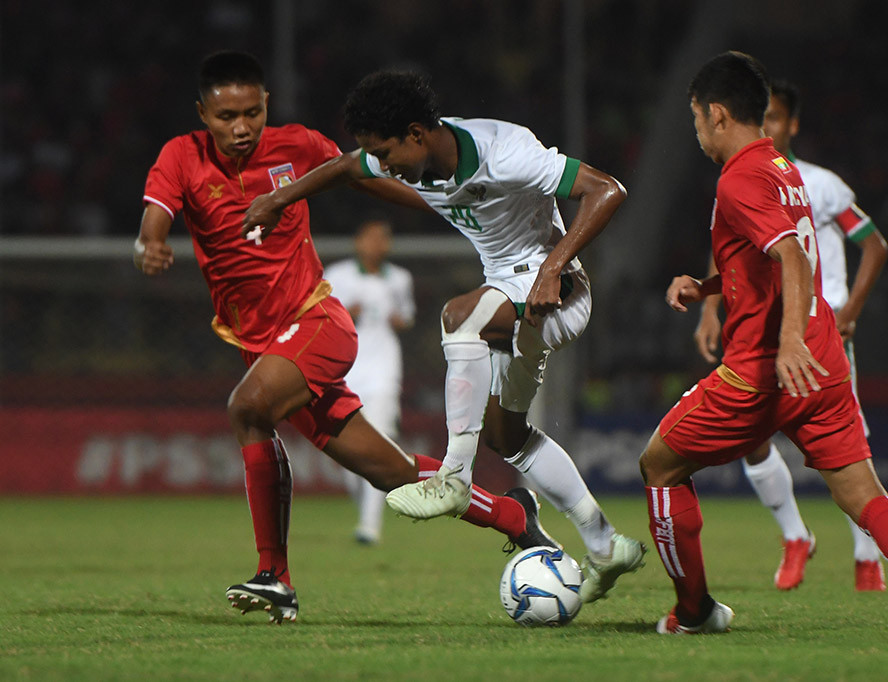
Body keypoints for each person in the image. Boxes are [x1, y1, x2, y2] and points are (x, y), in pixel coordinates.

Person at [134, 51, 559, 624]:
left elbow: (379, 177)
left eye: (251, 113)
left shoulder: (300, 146)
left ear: (266, 105)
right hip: (262, 343)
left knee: (248, 408)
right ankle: (514, 516)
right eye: (225, 115)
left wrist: (456, 207)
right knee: (389, 472)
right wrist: (149, 245)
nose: (240, 127)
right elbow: (154, 221)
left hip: (317, 324)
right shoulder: (180, 158)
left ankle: (274, 576)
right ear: (202, 114)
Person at [243, 70, 646, 603]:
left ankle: (454, 475)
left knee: (459, 316)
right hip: (510, 295)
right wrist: (281, 199)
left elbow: (607, 190)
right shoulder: (411, 158)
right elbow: (345, 166)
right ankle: (604, 543)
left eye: (387, 154)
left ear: (417, 133)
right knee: (509, 437)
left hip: (558, 290)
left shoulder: (505, 151)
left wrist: (554, 266)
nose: (384, 168)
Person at [639, 51, 888, 635]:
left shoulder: (739, 177)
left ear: (717, 114)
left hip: (764, 368)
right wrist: (709, 287)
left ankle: (694, 610)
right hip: (823, 364)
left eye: (696, 118)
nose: (696, 130)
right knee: (864, 497)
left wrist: (787, 339)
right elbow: (769, 259)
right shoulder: (783, 167)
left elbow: (792, 256)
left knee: (659, 466)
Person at [693, 79, 888, 592]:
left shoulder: (819, 184)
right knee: (751, 442)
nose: (772, 127)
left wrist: (850, 309)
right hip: (760, 331)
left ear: (792, 124)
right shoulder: (739, 177)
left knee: (849, 450)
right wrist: (710, 307)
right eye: (767, 118)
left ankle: (867, 557)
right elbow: (730, 251)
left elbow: (873, 245)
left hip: (813, 332)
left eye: (780, 118)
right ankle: (795, 536)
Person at [323, 218, 415, 545]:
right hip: (345, 366)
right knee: (345, 444)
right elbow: (320, 315)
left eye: (383, 239)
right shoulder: (337, 275)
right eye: (372, 238)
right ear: (359, 241)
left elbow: (406, 317)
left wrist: (397, 320)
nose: (378, 245)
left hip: (385, 366)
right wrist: (347, 312)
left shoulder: (400, 278)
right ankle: (365, 509)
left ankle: (369, 525)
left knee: (382, 438)